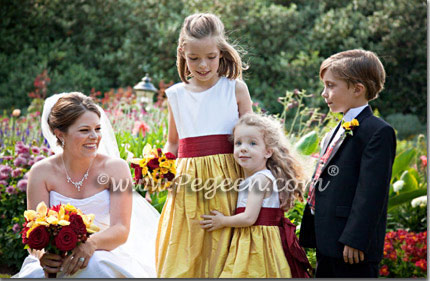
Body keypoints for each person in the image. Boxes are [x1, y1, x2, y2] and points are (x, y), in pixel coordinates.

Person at [13, 92, 160, 278]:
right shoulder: (41, 172)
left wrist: (90, 245)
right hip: (57, 260)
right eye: (84, 130)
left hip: (105, 252)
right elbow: (34, 233)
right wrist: (44, 255)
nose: (94, 137)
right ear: (60, 134)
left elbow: (121, 229)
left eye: (97, 129)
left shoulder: (116, 169)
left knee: (97, 267)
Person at [155, 13, 253, 278]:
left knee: (223, 251)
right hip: (188, 185)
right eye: (194, 58)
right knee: (186, 249)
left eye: (210, 57)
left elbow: (253, 137)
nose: (203, 65)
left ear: (221, 52)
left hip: (228, 180)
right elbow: (174, 140)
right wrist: (160, 167)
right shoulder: (176, 94)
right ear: (182, 54)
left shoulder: (235, 89)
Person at [299, 49, 396, 277]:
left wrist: (355, 239)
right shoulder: (338, 127)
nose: (324, 93)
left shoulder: (377, 131)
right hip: (328, 238)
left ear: (357, 89)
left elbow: (371, 192)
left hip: (351, 246)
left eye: (331, 86)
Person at [199, 113, 312, 278]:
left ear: (267, 152)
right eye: (238, 143)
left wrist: (222, 221)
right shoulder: (256, 178)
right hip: (253, 240)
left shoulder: (260, 180)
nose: (243, 148)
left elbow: (249, 218)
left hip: (257, 244)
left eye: (252, 143)